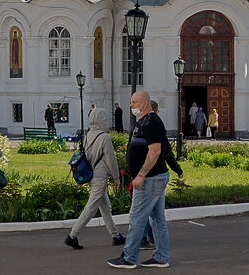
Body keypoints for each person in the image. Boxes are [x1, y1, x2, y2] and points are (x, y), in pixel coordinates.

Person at [107, 90, 171, 269]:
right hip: (154, 177)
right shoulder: (143, 122)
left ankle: (129, 257)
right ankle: (161, 257)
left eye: (134, 102)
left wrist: (141, 175)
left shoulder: (151, 122)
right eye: (131, 102)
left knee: (137, 218)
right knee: (157, 219)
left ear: (144, 103)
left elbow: (155, 151)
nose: (131, 105)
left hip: (150, 179)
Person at [65, 107, 126, 250]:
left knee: (104, 206)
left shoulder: (88, 135)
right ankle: (72, 236)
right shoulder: (104, 137)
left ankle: (116, 236)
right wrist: (116, 178)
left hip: (90, 174)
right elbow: (111, 159)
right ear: (101, 120)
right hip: (99, 175)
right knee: (92, 206)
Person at [140, 100, 183, 251]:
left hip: (145, 174)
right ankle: (146, 241)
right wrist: (178, 170)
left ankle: (150, 240)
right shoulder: (155, 126)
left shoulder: (140, 126)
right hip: (155, 174)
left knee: (150, 212)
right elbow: (165, 153)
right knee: (152, 213)